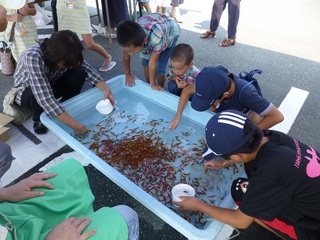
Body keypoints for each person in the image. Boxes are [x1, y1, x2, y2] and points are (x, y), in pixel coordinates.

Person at [176, 109, 320, 239]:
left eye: (225, 156)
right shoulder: (274, 137)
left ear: (237, 156)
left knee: (240, 190)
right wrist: (225, 162)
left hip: (313, 228)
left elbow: (241, 221)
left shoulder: (268, 173)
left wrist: (197, 205)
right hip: (309, 195)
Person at [0, 158, 139, 239]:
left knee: (67, 171)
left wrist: (6, 193)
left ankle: (85, 215)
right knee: (125, 215)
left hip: (8, 219)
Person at [13, 30, 116, 135]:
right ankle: (39, 118)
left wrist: (105, 88)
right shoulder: (33, 57)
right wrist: (76, 126)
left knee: (79, 72)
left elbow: (86, 68)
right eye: (66, 64)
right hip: (27, 92)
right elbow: (45, 98)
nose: (70, 66)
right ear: (55, 57)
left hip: (52, 83)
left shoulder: (67, 52)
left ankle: (66, 107)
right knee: (37, 95)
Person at [169, 66, 284, 130]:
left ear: (224, 94)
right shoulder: (209, 81)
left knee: (256, 120)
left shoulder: (247, 94)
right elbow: (186, 90)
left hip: (242, 111)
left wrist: (250, 137)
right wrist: (178, 116)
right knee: (202, 105)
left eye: (211, 100)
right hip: (223, 106)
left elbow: (277, 116)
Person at [117, 13, 180, 90]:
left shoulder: (156, 38)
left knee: (159, 66)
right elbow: (126, 57)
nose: (129, 53)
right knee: (145, 63)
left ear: (145, 41)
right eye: (127, 50)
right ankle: (149, 84)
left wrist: (153, 84)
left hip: (170, 33)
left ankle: (161, 88)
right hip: (152, 27)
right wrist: (128, 73)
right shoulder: (129, 38)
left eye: (131, 51)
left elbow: (152, 63)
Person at [56, 0, 116, 72]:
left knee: (90, 44)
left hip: (78, 9)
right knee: (67, 43)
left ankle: (107, 57)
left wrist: (69, 4)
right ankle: (76, 67)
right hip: (63, 9)